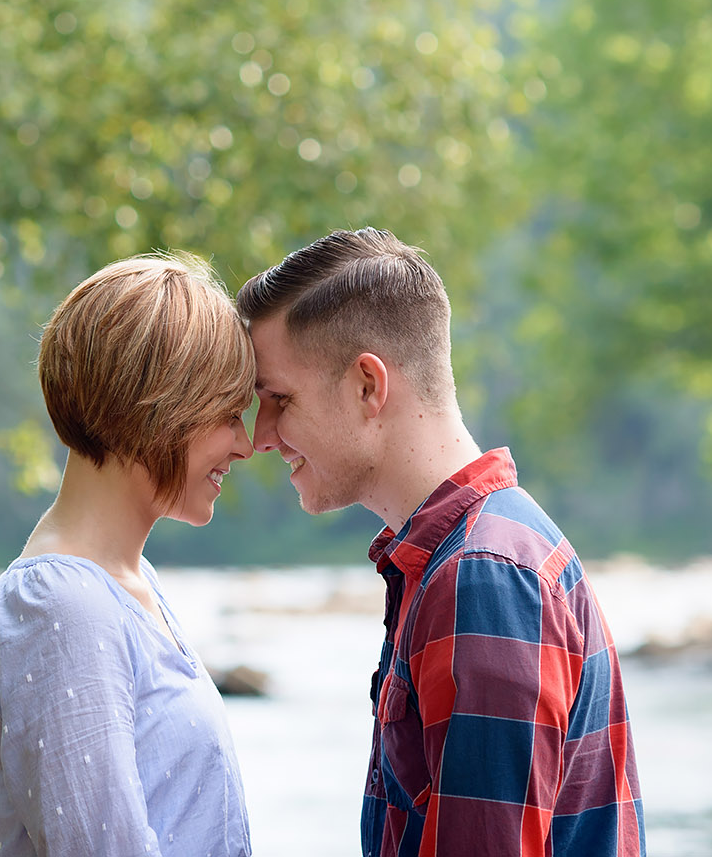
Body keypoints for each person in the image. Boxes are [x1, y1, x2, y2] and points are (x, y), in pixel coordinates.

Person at [238, 228, 644, 857]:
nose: (260, 436)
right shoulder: (466, 556)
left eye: (279, 399)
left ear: (368, 385)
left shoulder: (482, 576)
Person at [0, 254, 257, 857]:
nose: (246, 443)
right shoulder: (61, 604)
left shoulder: (128, 582)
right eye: (228, 414)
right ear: (159, 406)